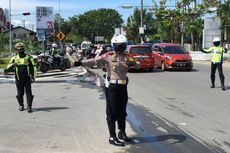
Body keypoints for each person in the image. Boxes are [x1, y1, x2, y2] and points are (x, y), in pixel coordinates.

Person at [75, 34, 139, 146]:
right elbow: (94, 61)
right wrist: (80, 63)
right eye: (119, 45)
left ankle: (122, 133)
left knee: (122, 111)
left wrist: (133, 63)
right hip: (112, 88)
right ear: (114, 46)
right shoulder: (108, 56)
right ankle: (112, 136)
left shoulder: (127, 57)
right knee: (112, 112)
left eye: (123, 45)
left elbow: (137, 65)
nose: (121, 48)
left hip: (123, 87)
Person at [7, 42, 37, 112]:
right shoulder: (14, 58)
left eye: (21, 48)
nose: (20, 49)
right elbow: (8, 67)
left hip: (27, 79)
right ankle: (21, 105)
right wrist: (12, 64)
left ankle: (29, 106)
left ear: (24, 49)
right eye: (18, 48)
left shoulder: (29, 57)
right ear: (16, 50)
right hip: (18, 79)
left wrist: (33, 77)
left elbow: (33, 68)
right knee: (20, 93)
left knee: (29, 93)